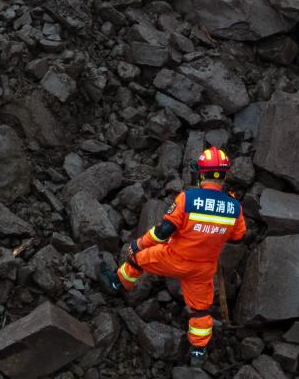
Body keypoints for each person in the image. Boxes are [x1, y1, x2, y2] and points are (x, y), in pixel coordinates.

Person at [100, 146, 245, 363]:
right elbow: (238, 237)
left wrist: (138, 244)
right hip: (203, 269)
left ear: (201, 173)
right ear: (223, 175)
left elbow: (163, 231)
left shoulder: (188, 198)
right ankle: (198, 351)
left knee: (137, 260)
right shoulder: (234, 207)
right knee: (200, 310)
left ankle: (117, 284)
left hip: (172, 258)